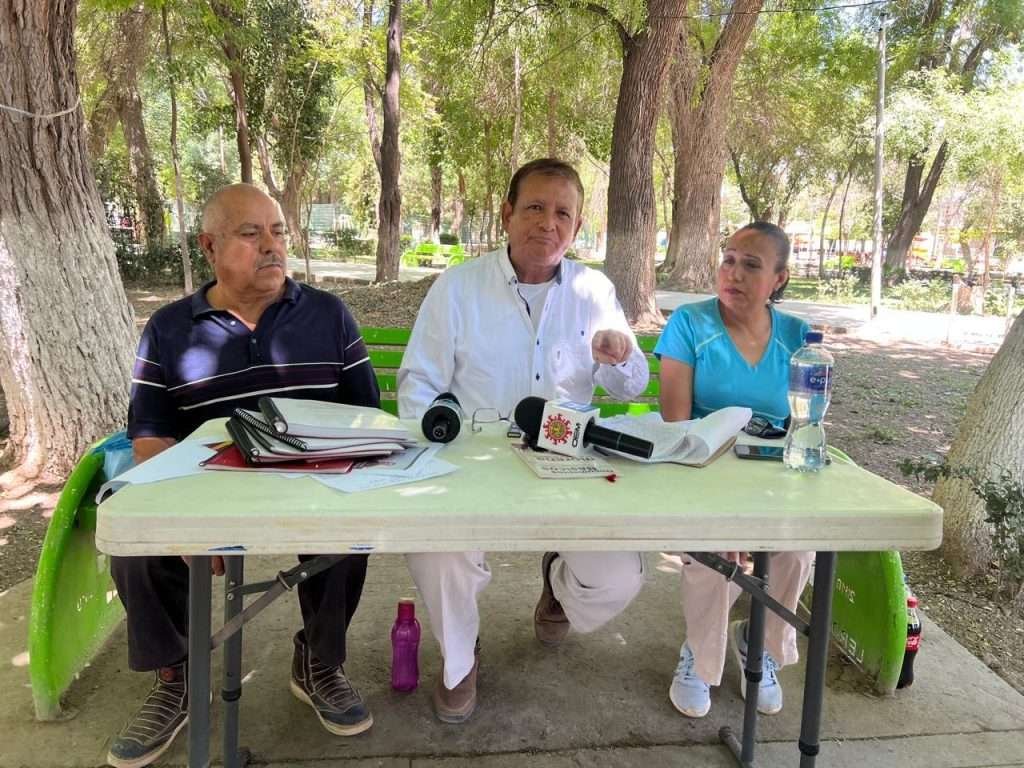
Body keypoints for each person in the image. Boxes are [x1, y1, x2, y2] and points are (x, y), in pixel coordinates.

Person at [107, 184, 380, 768]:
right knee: (138, 545)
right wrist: (184, 525)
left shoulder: (328, 315)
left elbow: (367, 418)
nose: (272, 245)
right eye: (251, 234)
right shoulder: (169, 329)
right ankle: (177, 676)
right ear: (209, 246)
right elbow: (151, 438)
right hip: (209, 490)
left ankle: (319, 660)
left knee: (351, 533)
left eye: (278, 231)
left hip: (314, 484)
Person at [397, 158, 650, 723]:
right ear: (507, 213)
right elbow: (418, 384)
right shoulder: (458, 287)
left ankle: (559, 581)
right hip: (474, 464)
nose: (548, 223)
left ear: (577, 227)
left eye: (563, 213)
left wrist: (620, 357)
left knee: (619, 577)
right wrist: (442, 433)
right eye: (535, 207)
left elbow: (630, 384)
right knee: (436, 549)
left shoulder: (594, 290)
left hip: (568, 464)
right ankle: (460, 658)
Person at [654, 221, 813, 719]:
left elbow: (804, 425)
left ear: (778, 279)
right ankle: (700, 658)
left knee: (798, 548)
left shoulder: (799, 337)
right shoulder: (689, 324)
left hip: (772, 480)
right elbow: (678, 425)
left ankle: (759, 647)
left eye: (751, 265)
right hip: (702, 471)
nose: (734, 273)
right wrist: (730, 506)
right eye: (728, 260)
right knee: (715, 549)